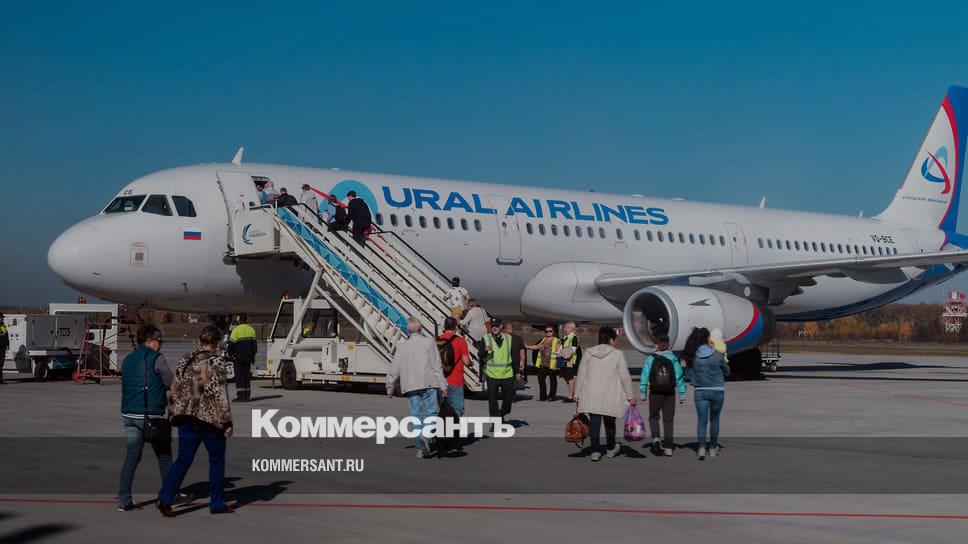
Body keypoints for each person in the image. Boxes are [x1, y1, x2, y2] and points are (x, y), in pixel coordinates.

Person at [157, 326, 235, 516]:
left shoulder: (185, 359)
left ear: (200, 342)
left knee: (183, 459)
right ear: (218, 343)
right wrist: (226, 422)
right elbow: (220, 394)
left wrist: (173, 412)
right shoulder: (217, 361)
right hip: (209, 419)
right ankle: (217, 503)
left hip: (186, 417)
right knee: (216, 460)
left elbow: (175, 386)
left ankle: (165, 498)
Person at [118, 324, 173, 511]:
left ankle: (124, 500)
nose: (161, 345)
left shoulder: (128, 359)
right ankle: (169, 495)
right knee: (164, 457)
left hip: (129, 414)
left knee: (131, 459)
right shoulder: (157, 358)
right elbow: (170, 381)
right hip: (151, 415)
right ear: (150, 341)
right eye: (159, 341)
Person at [387, 318, 447, 459]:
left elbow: (394, 369)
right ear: (420, 329)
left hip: (411, 386)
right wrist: (443, 385)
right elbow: (436, 366)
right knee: (431, 413)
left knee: (415, 416)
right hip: (429, 383)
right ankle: (426, 436)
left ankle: (420, 448)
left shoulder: (402, 346)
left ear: (408, 330)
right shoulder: (429, 342)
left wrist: (390, 387)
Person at [575, 326, 636, 462]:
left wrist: (577, 394)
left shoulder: (589, 353)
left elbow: (581, 375)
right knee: (610, 422)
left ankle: (595, 451)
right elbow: (625, 377)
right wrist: (630, 396)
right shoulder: (617, 354)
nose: (616, 342)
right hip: (610, 394)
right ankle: (610, 448)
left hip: (592, 393)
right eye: (615, 339)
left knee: (594, 423)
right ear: (611, 339)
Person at [682, 327, 730, 460]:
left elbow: (688, 375)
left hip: (700, 391)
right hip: (717, 390)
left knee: (702, 421)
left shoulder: (693, 356)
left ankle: (702, 448)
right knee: (715, 419)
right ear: (708, 339)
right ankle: (713, 448)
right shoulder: (717, 354)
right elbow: (727, 371)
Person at [639, 334, 686, 456]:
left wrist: (643, 393)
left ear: (656, 345)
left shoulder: (651, 358)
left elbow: (644, 376)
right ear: (669, 346)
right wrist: (682, 394)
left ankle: (656, 438)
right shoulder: (673, 358)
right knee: (668, 419)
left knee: (653, 416)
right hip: (669, 392)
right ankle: (669, 447)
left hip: (655, 392)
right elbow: (679, 376)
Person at [482, 318, 516, 424]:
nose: (494, 328)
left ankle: (502, 413)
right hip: (492, 374)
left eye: (496, 326)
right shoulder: (486, 338)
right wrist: (485, 351)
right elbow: (480, 355)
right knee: (492, 401)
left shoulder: (509, 338)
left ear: (501, 326)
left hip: (507, 373)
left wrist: (517, 372)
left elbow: (514, 355)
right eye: (492, 326)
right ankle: (495, 422)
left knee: (509, 399)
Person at [226, 314, 257, 403]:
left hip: (239, 357)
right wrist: (252, 356)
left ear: (239, 320)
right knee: (246, 376)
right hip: (248, 357)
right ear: (246, 320)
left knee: (239, 377)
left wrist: (229, 353)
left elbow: (231, 345)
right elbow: (254, 346)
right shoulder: (251, 329)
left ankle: (241, 396)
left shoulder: (236, 330)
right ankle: (247, 396)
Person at [527, 325, 559, 401]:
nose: (548, 332)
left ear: (553, 332)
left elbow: (559, 353)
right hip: (543, 364)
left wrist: (558, 365)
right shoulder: (543, 340)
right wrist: (527, 346)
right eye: (547, 331)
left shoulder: (556, 341)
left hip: (552, 364)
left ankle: (552, 396)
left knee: (553, 381)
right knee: (541, 380)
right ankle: (543, 396)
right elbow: (537, 347)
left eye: (550, 331)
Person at [559, 322, 582, 403]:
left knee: (570, 378)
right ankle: (571, 393)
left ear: (571, 328)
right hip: (565, 359)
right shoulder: (566, 337)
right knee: (566, 377)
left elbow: (573, 349)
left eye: (565, 327)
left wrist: (561, 353)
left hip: (570, 361)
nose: (564, 329)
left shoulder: (574, 337)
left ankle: (570, 396)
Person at [502, 322, 527, 389]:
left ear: (505, 329)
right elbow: (522, 351)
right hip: (515, 364)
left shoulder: (502, 338)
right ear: (512, 329)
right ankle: (512, 393)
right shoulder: (518, 338)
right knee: (513, 382)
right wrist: (522, 362)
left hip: (504, 364)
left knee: (505, 382)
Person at [0, 313, 8, 384]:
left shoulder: (3, 326)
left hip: (3, 347)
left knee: (1, 364)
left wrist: (7, 344)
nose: (3, 319)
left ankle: (0, 379)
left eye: (3, 318)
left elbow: (6, 335)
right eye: (1, 317)